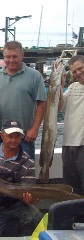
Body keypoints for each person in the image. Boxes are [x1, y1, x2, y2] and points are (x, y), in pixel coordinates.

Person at [0, 41, 47, 160]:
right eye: (8, 57)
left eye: (15, 56)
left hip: (24, 136)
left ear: (22, 56)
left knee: (24, 173)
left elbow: (42, 103)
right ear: (4, 57)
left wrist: (35, 129)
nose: (11, 60)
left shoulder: (35, 76)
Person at [58, 55, 84, 196]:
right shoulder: (73, 88)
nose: (78, 73)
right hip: (68, 145)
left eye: (80, 68)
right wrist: (61, 86)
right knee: (72, 189)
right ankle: (77, 217)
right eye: (74, 72)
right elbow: (59, 107)